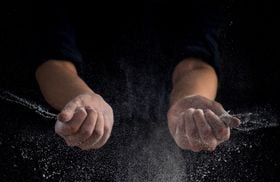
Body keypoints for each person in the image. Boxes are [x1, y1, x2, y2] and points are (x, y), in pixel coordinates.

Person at [32, 0, 240, 152]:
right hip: (69, 135)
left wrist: (189, 101)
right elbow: (53, 60)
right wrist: (81, 99)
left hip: (166, 136)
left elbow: (196, 62)